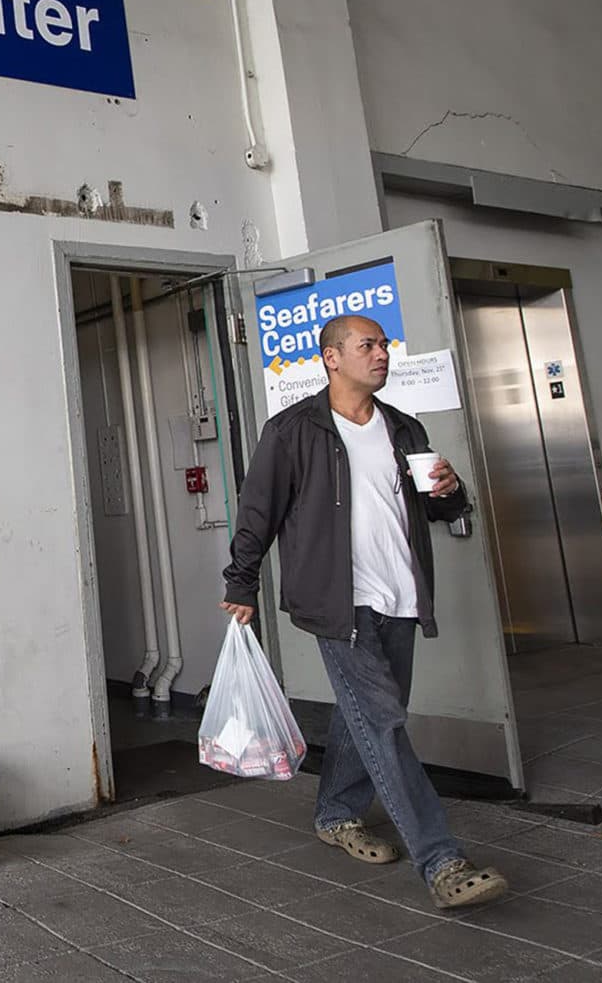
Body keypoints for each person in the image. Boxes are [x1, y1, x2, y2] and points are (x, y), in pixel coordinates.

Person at [219, 313, 508, 910]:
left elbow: (435, 508)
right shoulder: (292, 430)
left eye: (384, 345)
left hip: (400, 598)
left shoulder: (403, 428)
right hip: (337, 604)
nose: (381, 354)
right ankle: (441, 860)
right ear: (331, 357)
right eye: (367, 345)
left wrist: (451, 491)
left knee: (367, 716)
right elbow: (258, 513)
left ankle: (336, 814)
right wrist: (240, 582)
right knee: (383, 722)